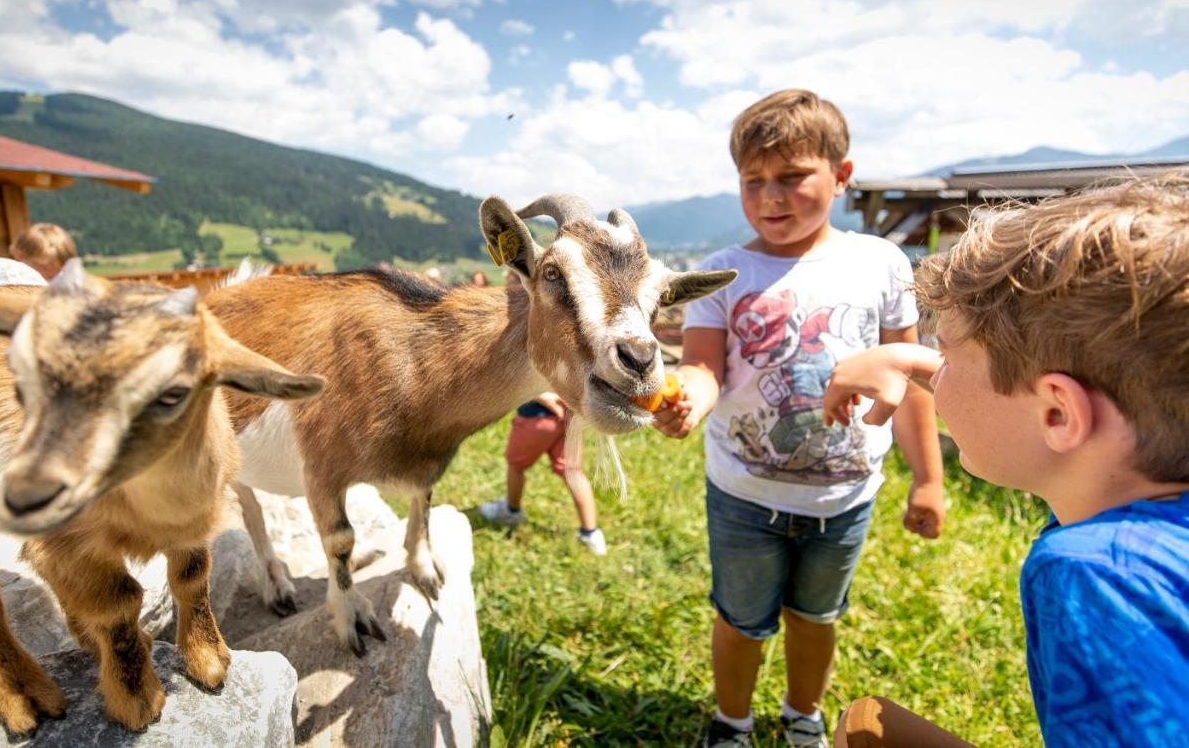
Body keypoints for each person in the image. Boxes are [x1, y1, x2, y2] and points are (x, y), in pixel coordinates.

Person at [822, 176, 1189, 747]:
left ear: (1058, 415)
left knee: (864, 730)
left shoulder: (1098, 577)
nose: (935, 374)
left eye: (945, 352)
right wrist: (914, 358)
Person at [653, 89, 945, 748]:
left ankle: (802, 715)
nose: (770, 197)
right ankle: (732, 723)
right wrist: (689, 401)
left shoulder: (882, 263)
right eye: (753, 181)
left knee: (816, 617)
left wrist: (928, 477)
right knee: (741, 619)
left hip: (844, 497)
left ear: (841, 175)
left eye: (792, 177)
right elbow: (703, 366)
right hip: (743, 494)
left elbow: (912, 378)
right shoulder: (721, 271)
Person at [479, 392, 608, 556]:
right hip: (569, 416)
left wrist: (543, 397)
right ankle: (591, 534)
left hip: (536, 419)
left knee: (516, 466)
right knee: (573, 472)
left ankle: (511, 512)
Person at [9, 222, 78, 281]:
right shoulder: (12, 281)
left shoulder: (59, 279)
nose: (55, 272)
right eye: (49, 265)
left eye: (61, 268)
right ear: (20, 257)